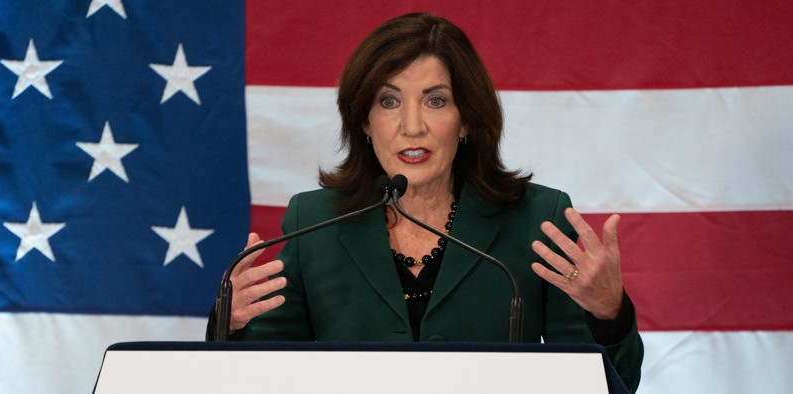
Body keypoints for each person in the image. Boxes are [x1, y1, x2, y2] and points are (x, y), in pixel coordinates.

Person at [209, 12, 643, 392]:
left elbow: (605, 385)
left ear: (466, 119)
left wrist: (610, 314)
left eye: (436, 101)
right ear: (364, 120)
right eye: (389, 101)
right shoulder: (315, 223)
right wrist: (232, 327)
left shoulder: (536, 221)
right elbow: (265, 374)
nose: (412, 126)